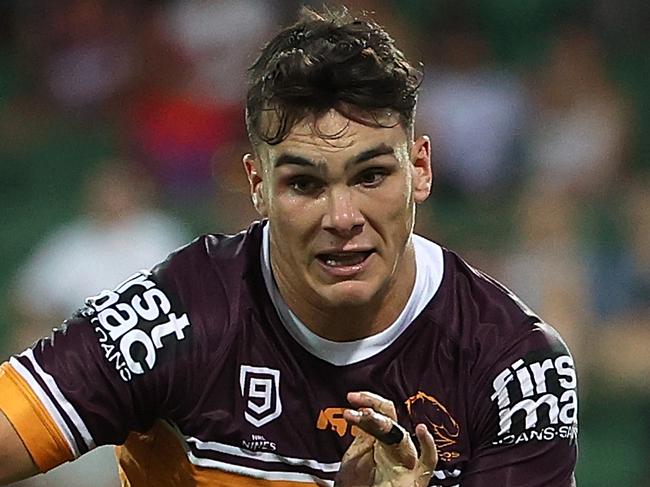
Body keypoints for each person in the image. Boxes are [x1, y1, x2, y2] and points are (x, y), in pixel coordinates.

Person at [0, 6, 577, 487]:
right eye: (304, 183)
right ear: (257, 186)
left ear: (420, 168)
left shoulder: (517, 366)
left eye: (371, 176)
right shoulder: (177, 316)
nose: (343, 217)